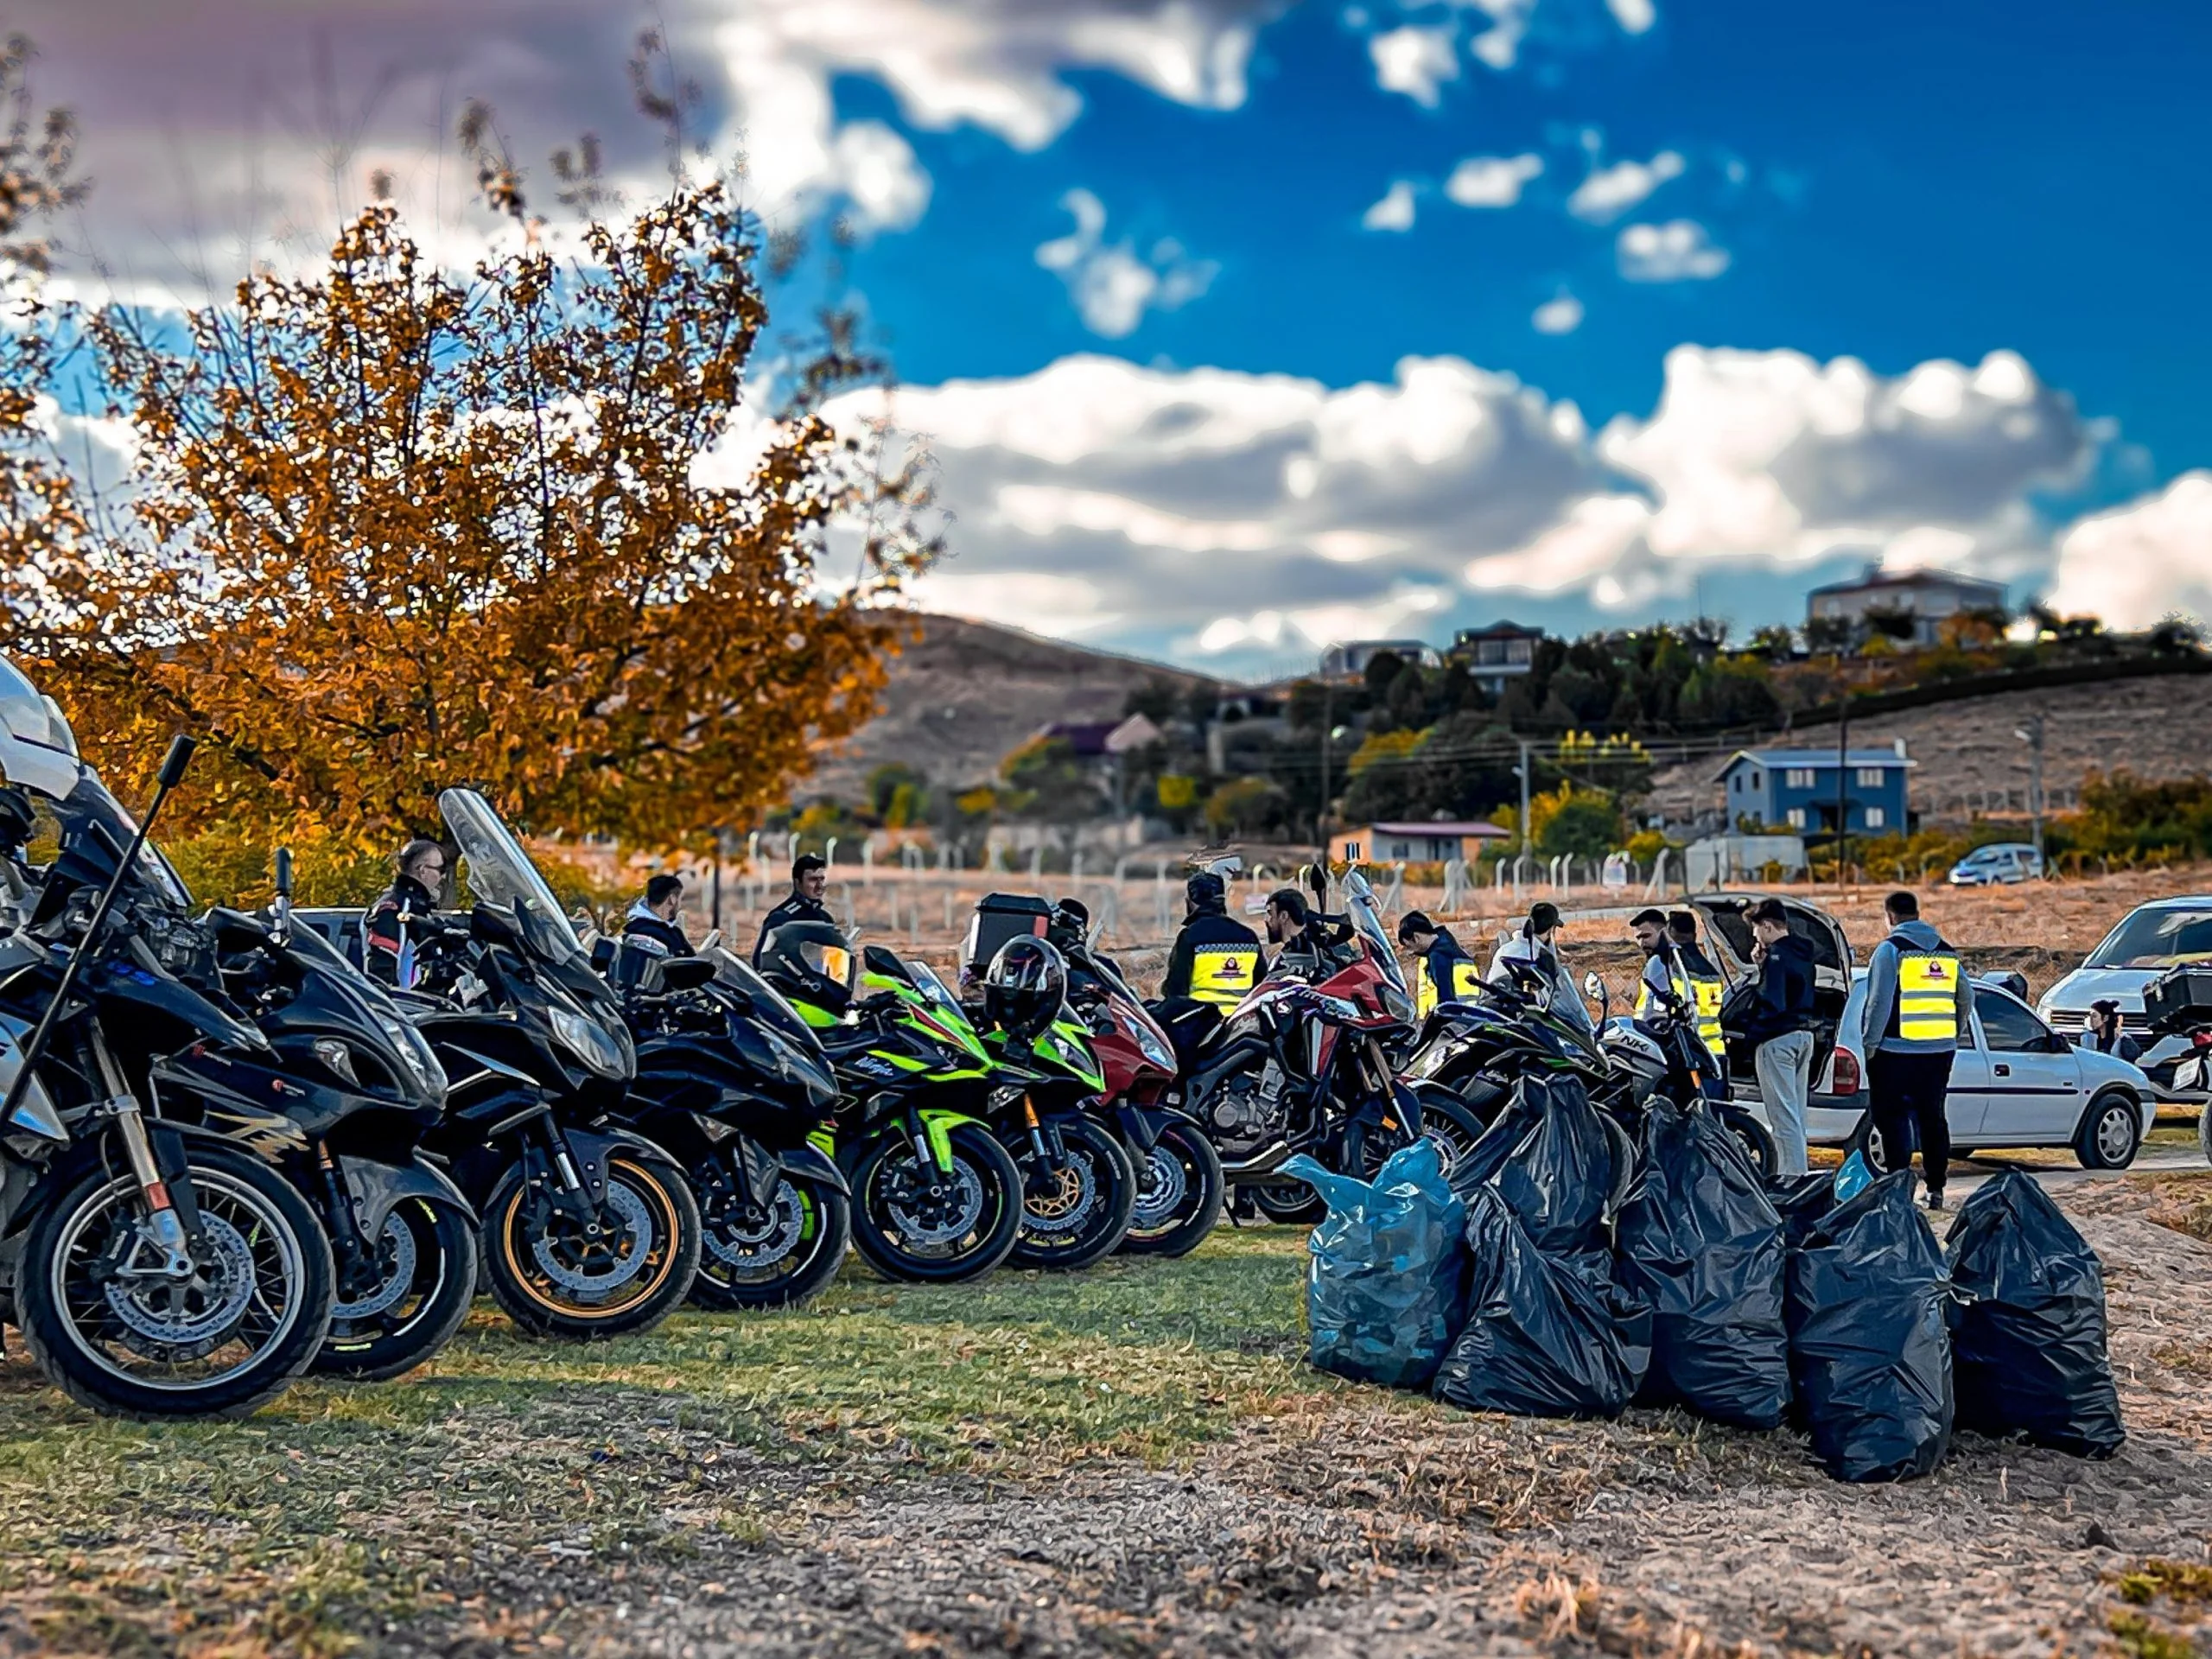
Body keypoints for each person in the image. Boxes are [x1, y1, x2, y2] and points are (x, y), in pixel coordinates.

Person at [1859, 889, 1974, 1210]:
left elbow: (1879, 1002)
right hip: (1938, 1054)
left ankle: (1898, 1190)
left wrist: (1871, 1045)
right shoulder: (1947, 953)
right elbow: (1966, 998)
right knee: (1933, 1119)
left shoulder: (1890, 951)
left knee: (1892, 1120)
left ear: (1890, 917)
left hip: (1894, 1052)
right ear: (1917, 913)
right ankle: (1935, 1188)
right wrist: (1953, 1034)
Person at [1738, 898, 1816, 1179]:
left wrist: (1751, 1036)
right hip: (1804, 1036)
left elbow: (1772, 1002)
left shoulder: (1776, 957)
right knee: (1797, 1114)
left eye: (1756, 931)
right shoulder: (1804, 954)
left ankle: (1791, 1180)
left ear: (1767, 926)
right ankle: (1800, 1174)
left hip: (1778, 1040)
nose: (1755, 937)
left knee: (1782, 1116)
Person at [1160, 871, 1262, 1009]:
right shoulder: (1250, 937)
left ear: (1191, 901)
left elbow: (1176, 990)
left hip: (1200, 1023)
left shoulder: (1190, 936)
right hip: (1241, 1023)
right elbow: (1261, 985)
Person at [1488, 901, 1592, 1033]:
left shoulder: (1504, 950)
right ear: (1550, 931)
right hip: (1522, 1027)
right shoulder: (1538, 957)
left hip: (1496, 1021)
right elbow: (1551, 1000)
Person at [364, 838, 445, 988]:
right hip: (401, 1006)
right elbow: (382, 969)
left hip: (415, 1004)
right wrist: (393, 1004)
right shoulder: (396, 907)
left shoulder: (416, 906)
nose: (443, 876)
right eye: (440, 870)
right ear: (423, 870)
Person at [752, 852, 832, 964]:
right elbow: (759, 962)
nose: (820, 886)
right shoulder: (782, 918)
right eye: (813, 880)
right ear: (797, 882)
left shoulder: (825, 918)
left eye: (822, 879)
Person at [1398, 910, 1481, 1017]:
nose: (1412, 951)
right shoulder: (1448, 943)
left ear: (1417, 938)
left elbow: (1446, 1002)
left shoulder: (1438, 958)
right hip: (1471, 1017)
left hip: (1455, 1022)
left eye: (1409, 946)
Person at [622, 874, 695, 958]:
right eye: (680, 899)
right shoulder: (669, 934)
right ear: (672, 899)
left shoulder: (631, 929)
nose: (681, 906)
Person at [2081, 999, 2142, 1063]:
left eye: (2094, 1016)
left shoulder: (2122, 1040)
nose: (2091, 1019)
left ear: (2105, 1018)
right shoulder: (2088, 1038)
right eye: (2090, 1016)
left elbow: (2135, 1058)